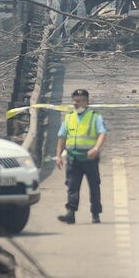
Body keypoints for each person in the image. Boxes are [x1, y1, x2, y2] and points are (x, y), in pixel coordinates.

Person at [56, 89, 107, 224]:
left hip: (90, 159)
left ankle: (95, 214)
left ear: (86, 101)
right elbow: (62, 137)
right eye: (74, 101)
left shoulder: (95, 116)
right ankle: (70, 213)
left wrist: (96, 148)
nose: (75, 103)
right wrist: (58, 156)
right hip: (73, 159)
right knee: (72, 187)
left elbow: (102, 133)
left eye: (79, 101)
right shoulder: (69, 117)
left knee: (94, 187)